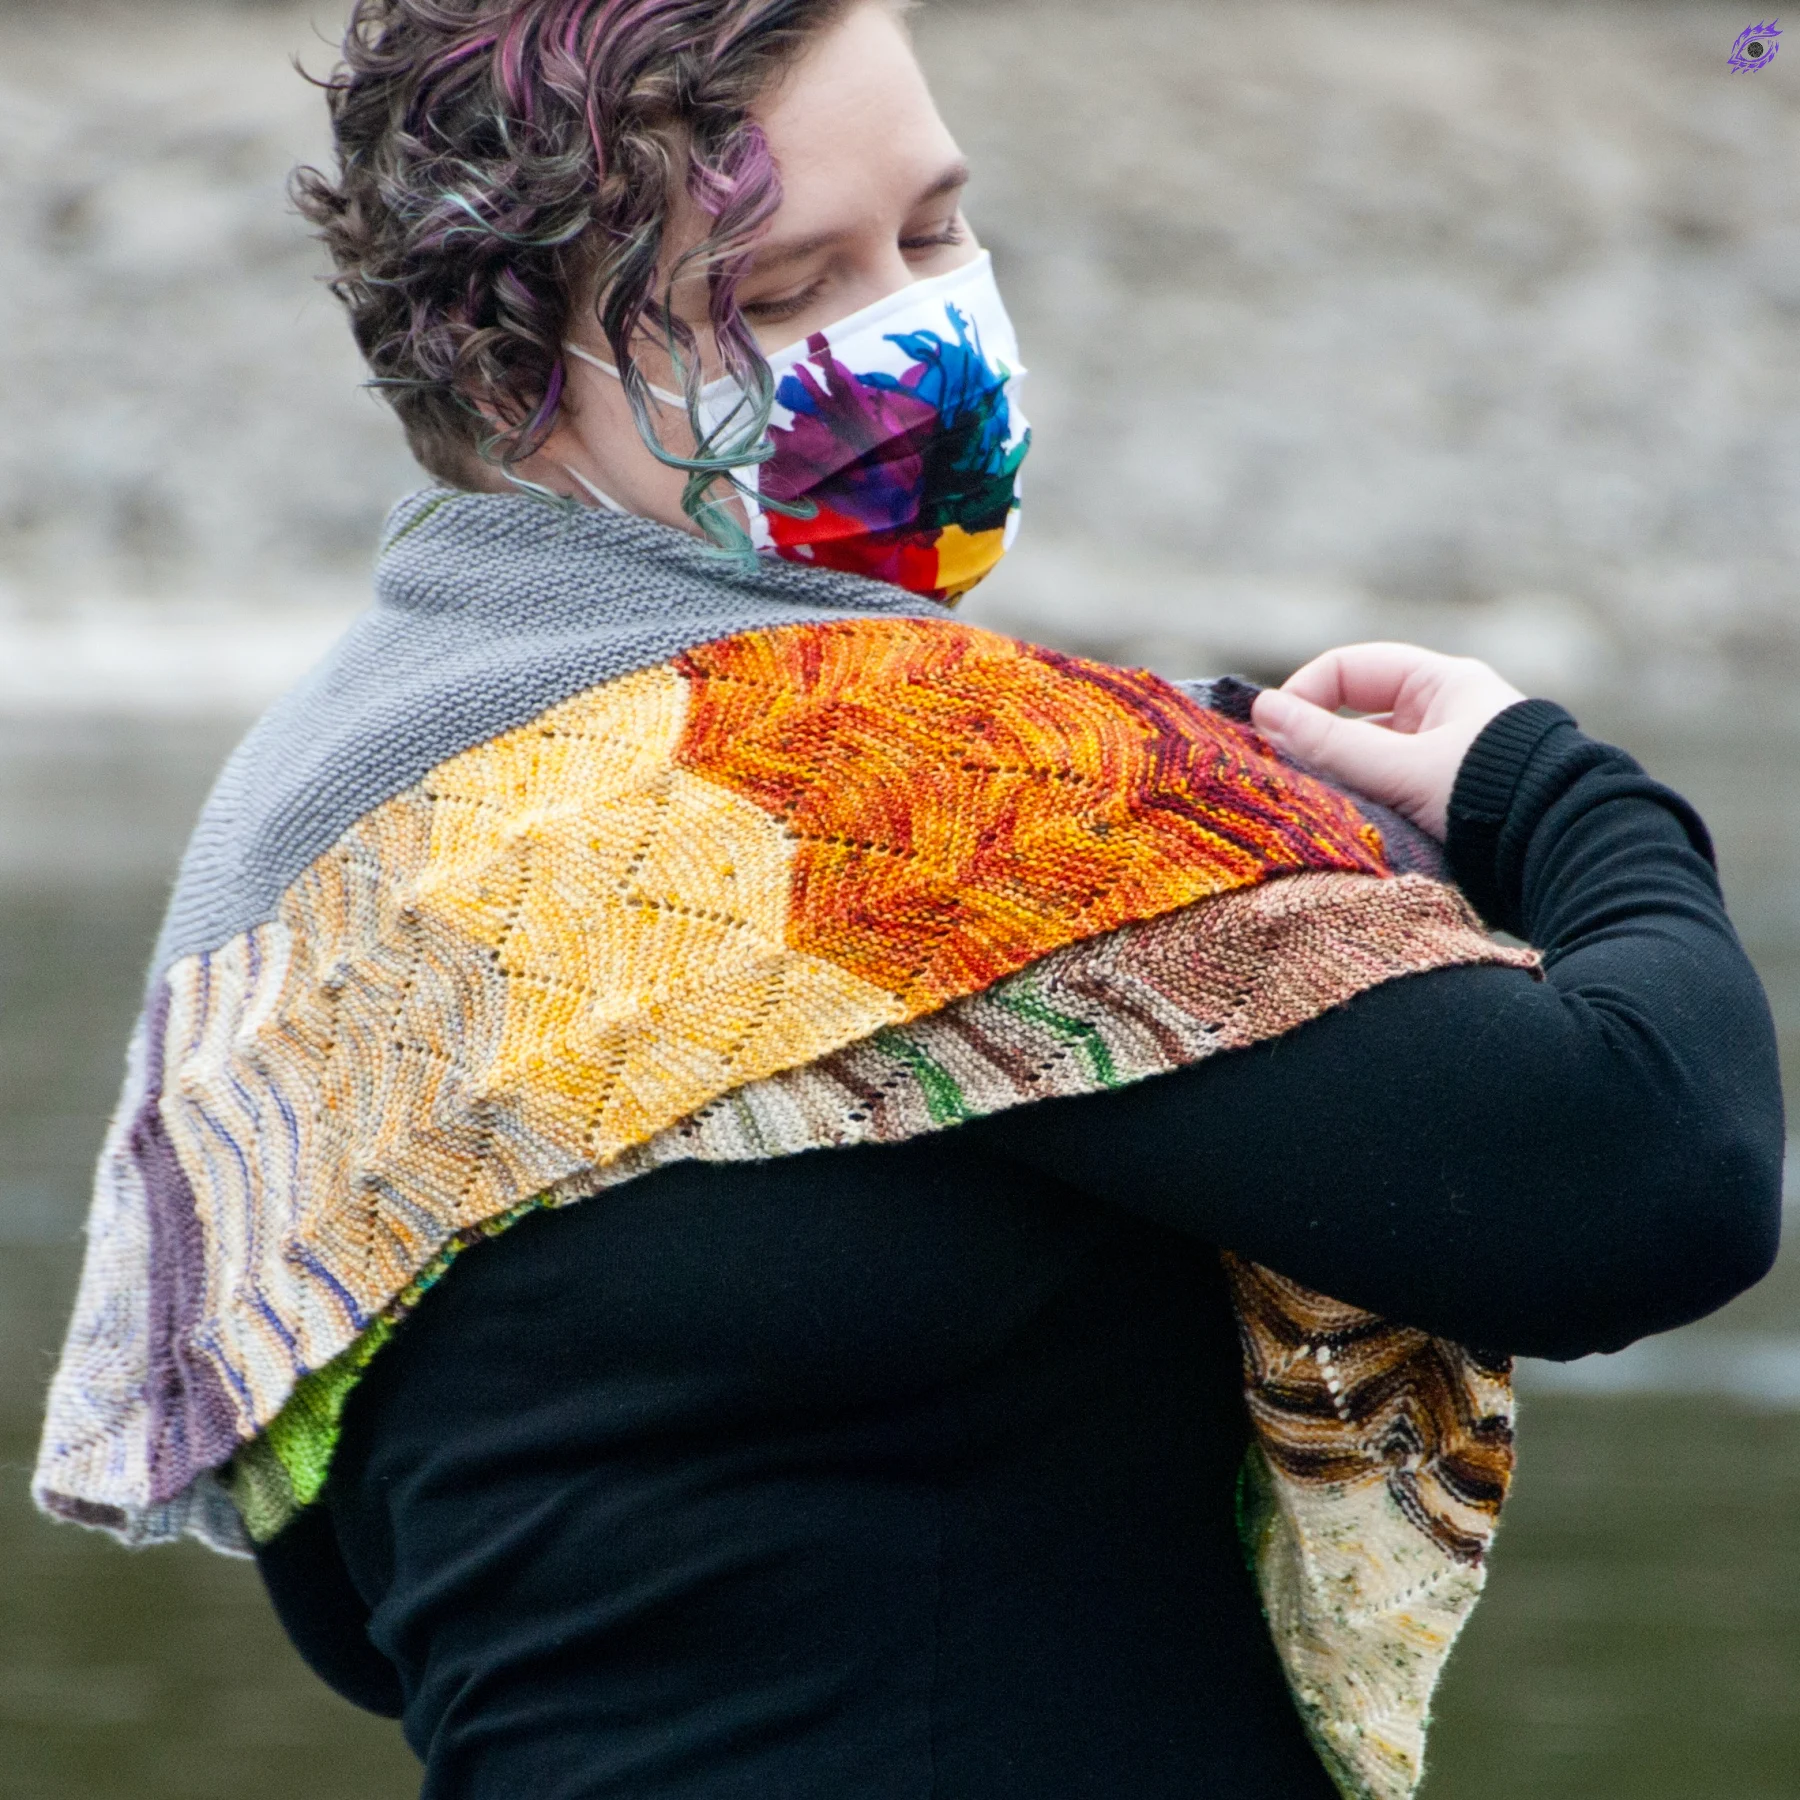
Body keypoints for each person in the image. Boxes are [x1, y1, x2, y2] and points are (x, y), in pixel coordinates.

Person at [32, 2, 1783, 1797]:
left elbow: (365, 1599)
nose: (908, 328)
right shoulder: (861, 769)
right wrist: (1544, 786)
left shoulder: (319, 838)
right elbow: (1648, 1168)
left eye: (934, 232)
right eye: (786, 287)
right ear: (503, 376)